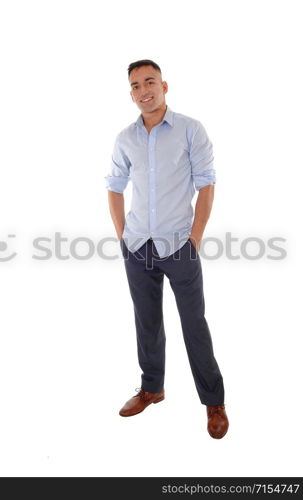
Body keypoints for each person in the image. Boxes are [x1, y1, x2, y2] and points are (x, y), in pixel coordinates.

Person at [105, 59, 229, 439]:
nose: (144, 90)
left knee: (194, 324)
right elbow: (114, 185)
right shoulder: (126, 137)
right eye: (136, 85)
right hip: (137, 245)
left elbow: (206, 183)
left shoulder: (191, 130)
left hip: (179, 245)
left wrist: (195, 238)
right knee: (147, 322)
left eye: (150, 82)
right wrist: (124, 235)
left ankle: (214, 402)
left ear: (164, 86)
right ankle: (152, 388)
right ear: (131, 93)